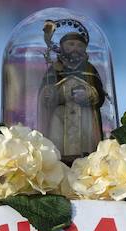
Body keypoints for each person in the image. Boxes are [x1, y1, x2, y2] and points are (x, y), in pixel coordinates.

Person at [38, 22, 105, 161]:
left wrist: (89, 95)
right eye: (71, 44)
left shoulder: (89, 69)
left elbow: (100, 95)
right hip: (60, 116)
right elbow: (45, 98)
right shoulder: (54, 69)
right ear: (62, 47)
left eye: (79, 45)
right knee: (56, 142)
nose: (75, 48)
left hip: (85, 116)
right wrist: (50, 95)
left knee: (86, 146)